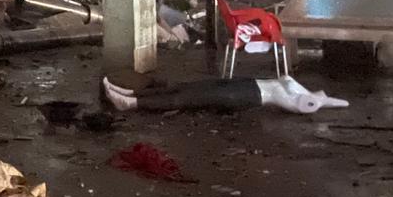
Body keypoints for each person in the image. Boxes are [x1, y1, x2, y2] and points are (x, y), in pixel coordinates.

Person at [100, 75, 348, 115]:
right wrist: (328, 100)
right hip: (247, 85)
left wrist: (322, 101)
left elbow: (292, 88)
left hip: (248, 94)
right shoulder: (300, 92)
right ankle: (131, 93)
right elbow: (288, 80)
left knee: (188, 98)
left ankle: (130, 103)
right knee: (186, 88)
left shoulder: (299, 101)